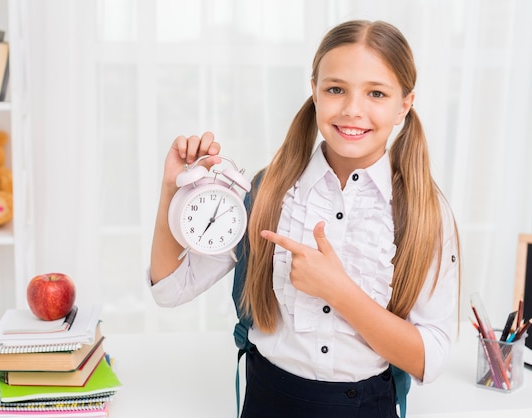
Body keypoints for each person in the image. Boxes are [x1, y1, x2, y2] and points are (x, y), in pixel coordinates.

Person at [149, 19, 460, 418]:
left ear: (404, 104)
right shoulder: (267, 191)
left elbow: (429, 358)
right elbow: (170, 289)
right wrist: (171, 191)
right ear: (314, 91)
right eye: (335, 89)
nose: (352, 109)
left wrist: (338, 291)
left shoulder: (425, 212)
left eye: (376, 93)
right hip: (268, 401)